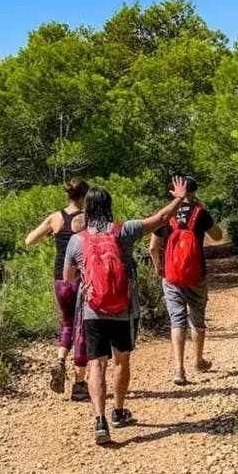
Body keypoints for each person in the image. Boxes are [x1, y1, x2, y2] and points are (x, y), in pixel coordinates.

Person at [63, 177, 191, 445]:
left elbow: (67, 279)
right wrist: (179, 197)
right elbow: (159, 218)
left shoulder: (77, 240)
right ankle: (119, 411)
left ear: (86, 208)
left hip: (92, 310)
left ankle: (100, 421)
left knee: (97, 364)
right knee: (122, 361)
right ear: (109, 206)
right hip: (123, 308)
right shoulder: (124, 231)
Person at [149, 176, 223, 386]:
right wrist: (203, 211)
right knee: (197, 317)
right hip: (196, 275)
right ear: (194, 191)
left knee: (177, 320)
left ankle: (179, 369)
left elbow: (153, 247)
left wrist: (159, 268)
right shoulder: (200, 213)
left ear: (176, 191)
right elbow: (217, 236)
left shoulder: (166, 214)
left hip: (171, 276)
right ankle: (199, 360)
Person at [24, 179, 90, 400]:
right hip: (81, 277)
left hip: (60, 278)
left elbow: (29, 240)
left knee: (66, 323)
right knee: (81, 327)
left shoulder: (56, 217)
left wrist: (52, 235)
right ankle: (80, 384)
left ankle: (60, 360)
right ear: (83, 197)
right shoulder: (85, 219)